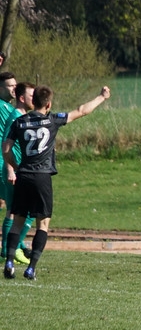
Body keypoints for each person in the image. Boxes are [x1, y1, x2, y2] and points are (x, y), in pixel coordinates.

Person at [3, 84, 110, 280]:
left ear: (33, 101)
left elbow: (6, 148)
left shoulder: (20, 122)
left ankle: (9, 262)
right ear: (49, 104)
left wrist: (15, 166)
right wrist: (101, 97)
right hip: (42, 177)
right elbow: (81, 111)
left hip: (24, 175)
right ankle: (31, 268)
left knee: (17, 221)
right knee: (42, 224)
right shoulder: (52, 120)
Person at [1, 81, 36, 264]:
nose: (35, 99)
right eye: (32, 96)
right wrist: (10, 170)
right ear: (22, 98)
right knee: (18, 211)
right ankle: (11, 249)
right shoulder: (15, 117)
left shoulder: (22, 116)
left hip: (19, 169)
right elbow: (5, 145)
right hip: (13, 170)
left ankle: (11, 249)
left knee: (21, 210)